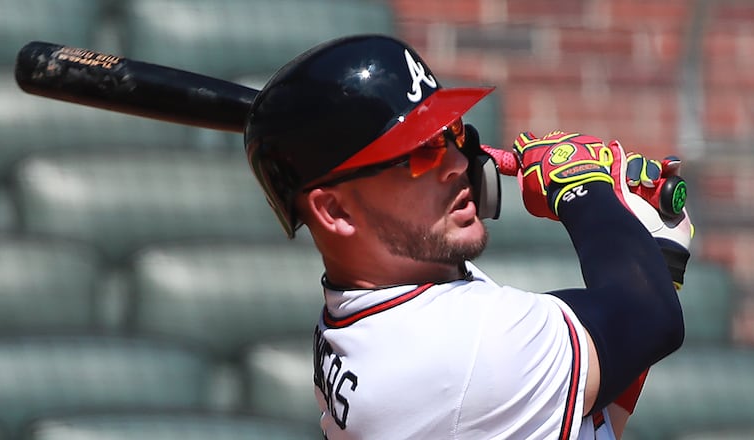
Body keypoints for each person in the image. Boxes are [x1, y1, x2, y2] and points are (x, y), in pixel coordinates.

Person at [244, 34, 693, 439]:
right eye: (420, 153)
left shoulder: (382, 304)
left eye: (451, 134)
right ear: (335, 211)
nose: (458, 164)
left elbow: (585, 405)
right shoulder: (452, 352)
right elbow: (647, 318)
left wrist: (656, 258)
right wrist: (583, 188)